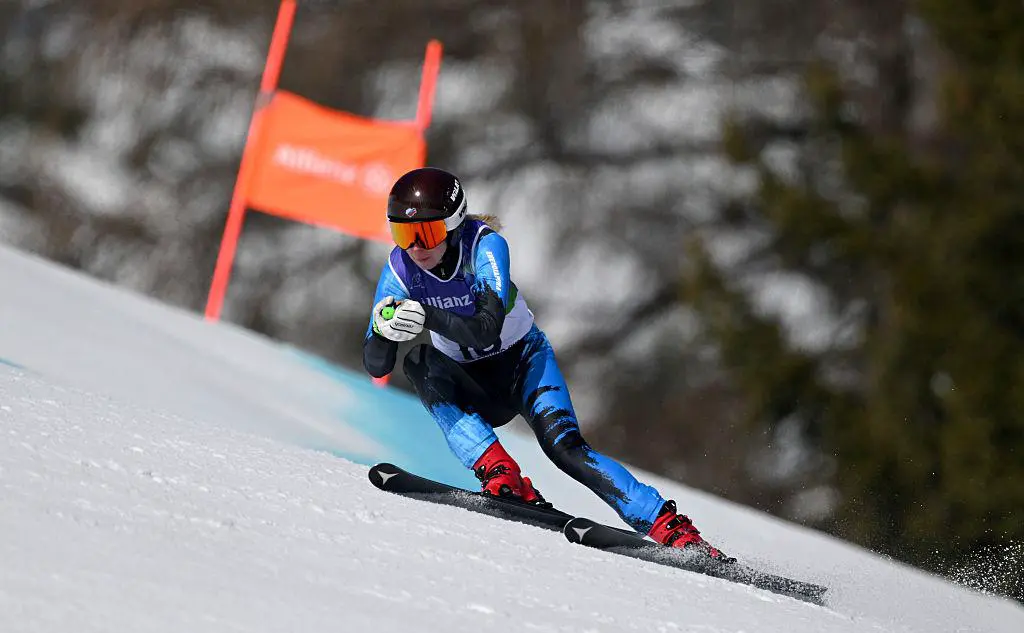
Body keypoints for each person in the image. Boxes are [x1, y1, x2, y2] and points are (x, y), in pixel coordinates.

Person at [363, 167, 727, 559]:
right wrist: (385, 332)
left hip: (523, 365)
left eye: (427, 234)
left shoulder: (485, 246)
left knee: (565, 450)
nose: (416, 248)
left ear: (452, 226)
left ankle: (671, 528)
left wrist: (427, 316)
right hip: (470, 383)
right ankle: (500, 472)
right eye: (403, 235)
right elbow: (376, 365)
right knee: (418, 360)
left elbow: (486, 329)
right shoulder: (399, 269)